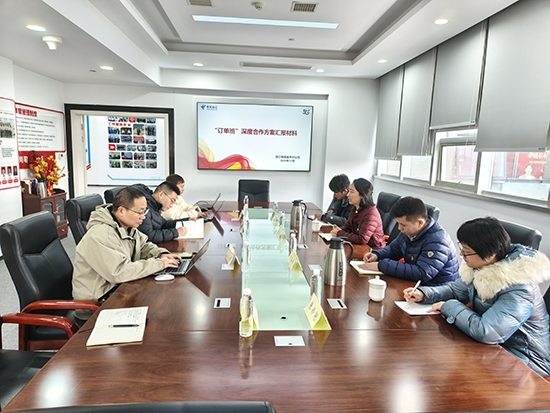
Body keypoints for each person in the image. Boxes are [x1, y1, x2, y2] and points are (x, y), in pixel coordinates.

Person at [404, 217, 550, 377]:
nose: (461, 254)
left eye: (466, 252)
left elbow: (487, 332)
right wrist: (424, 294)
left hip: (526, 362)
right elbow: (455, 290)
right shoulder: (482, 266)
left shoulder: (519, 287)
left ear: (490, 255)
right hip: (494, 347)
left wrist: (448, 306)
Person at [72, 187, 182, 309]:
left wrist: (161, 254)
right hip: (99, 304)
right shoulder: (100, 235)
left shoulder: (126, 227)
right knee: (160, 307)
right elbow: (119, 272)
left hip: (119, 290)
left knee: (165, 299)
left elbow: (144, 245)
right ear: (121, 211)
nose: (143, 217)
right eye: (140, 212)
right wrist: (159, 264)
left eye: (145, 212)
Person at [361, 196, 458, 285]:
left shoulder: (438, 241)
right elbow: (394, 249)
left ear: (420, 223)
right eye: (398, 223)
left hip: (437, 290)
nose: (399, 228)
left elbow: (422, 273)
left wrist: (382, 266)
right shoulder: (409, 232)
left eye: (403, 225)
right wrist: (377, 255)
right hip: (415, 285)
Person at [329, 178, 385, 248]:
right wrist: (337, 230)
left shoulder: (371, 214)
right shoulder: (356, 209)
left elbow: (362, 239)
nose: (348, 195)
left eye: (351, 192)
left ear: (362, 195)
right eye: (349, 191)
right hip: (360, 247)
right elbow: (347, 227)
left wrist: (340, 233)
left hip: (373, 251)